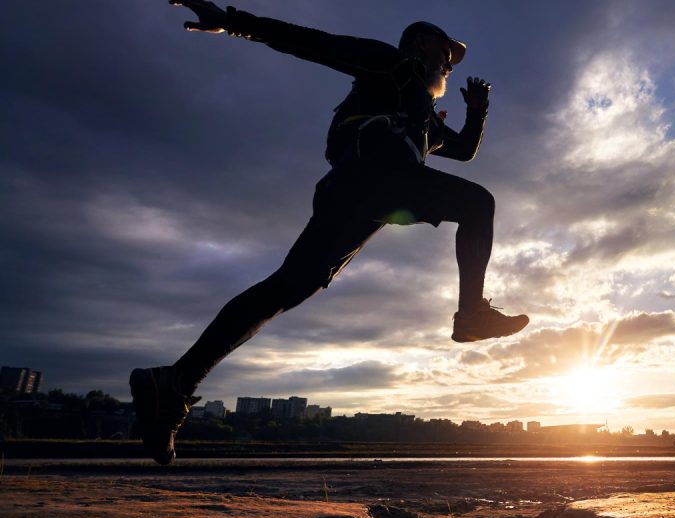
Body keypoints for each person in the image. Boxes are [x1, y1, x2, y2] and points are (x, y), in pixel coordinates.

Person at [130, 0, 529, 465]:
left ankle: (175, 383)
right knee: (478, 204)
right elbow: (314, 44)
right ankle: (472, 314)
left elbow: (461, 152)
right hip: (373, 173)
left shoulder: (420, 115)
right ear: (420, 43)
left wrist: (478, 113)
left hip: (361, 196)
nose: (449, 62)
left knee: (287, 287)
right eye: (445, 52)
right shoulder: (392, 66)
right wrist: (233, 23)